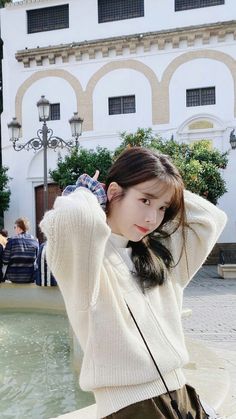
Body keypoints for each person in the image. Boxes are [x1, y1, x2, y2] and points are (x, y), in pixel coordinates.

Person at [40, 147, 227, 419]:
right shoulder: (86, 264)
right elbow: (74, 219)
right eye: (145, 201)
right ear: (113, 192)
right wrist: (87, 194)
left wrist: (165, 184)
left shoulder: (159, 256)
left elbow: (210, 219)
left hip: (184, 398)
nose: (153, 218)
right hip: (131, 410)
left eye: (163, 208)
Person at [3, 217, 39, 283]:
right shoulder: (35, 241)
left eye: (15, 227)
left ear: (19, 228)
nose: (14, 229)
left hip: (13, 277)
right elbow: (37, 261)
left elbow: (5, 261)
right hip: (30, 277)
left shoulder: (11, 241)